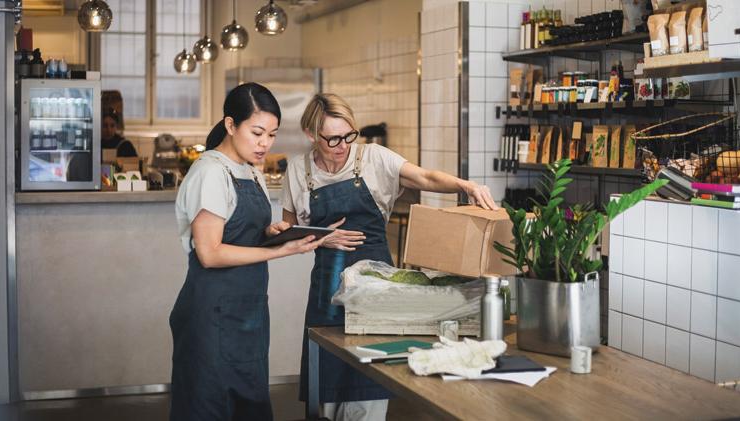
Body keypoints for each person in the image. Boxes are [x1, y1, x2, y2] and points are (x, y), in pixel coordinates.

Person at [282, 93, 497, 420]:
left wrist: (465, 186)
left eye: (349, 135)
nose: (343, 145)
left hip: (378, 288)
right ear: (312, 135)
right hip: (327, 289)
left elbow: (424, 177)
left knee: (370, 373)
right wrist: (318, 238)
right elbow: (288, 228)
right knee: (325, 376)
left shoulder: (373, 158)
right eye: (333, 139)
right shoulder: (298, 170)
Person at [170, 82, 323, 421]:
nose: (264, 144)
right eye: (256, 133)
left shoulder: (250, 171)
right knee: (210, 406)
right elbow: (209, 253)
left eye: (271, 135)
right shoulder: (210, 171)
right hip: (211, 313)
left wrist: (270, 233)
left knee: (248, 406)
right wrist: (280, 252)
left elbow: (241, 233)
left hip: (248, 312)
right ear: (230, 125)